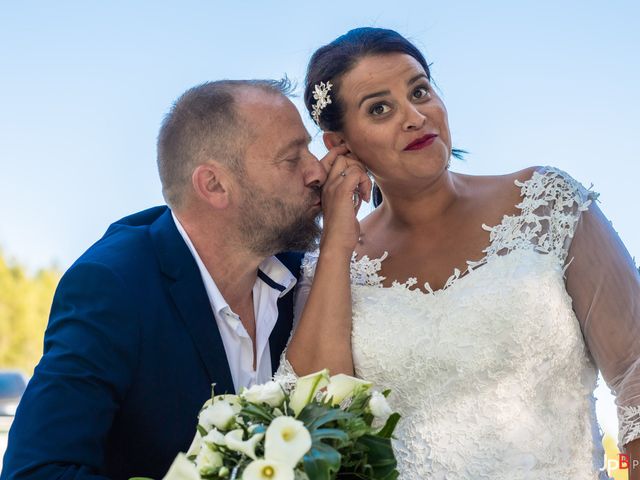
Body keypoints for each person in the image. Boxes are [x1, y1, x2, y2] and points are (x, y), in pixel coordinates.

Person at [278, 28, 640, 479]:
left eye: (420, 91)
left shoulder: (547, 203)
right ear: (340, 145)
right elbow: (320, 419)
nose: (414, 116)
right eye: (380, 108)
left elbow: (634, 374)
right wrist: (336, 242)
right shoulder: (331, 267)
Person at [1, 79, 370, 480]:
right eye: (291, 157)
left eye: (310, 149)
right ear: (213, 184)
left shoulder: (306, 272)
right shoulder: (114, 286)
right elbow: (33, 470)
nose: (317, 170)